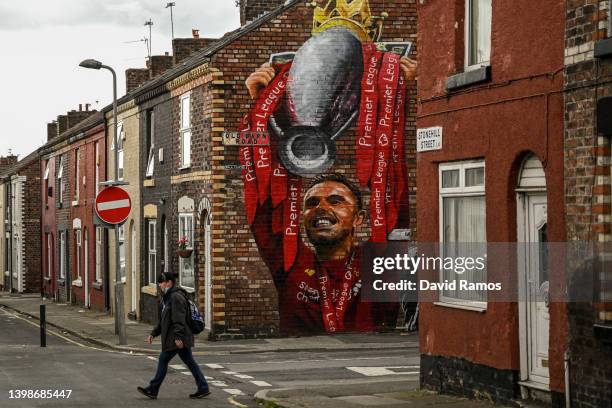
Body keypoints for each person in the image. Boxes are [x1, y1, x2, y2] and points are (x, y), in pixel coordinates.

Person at [251, 173, 397, 335]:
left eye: (335, 201)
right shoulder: (291, 263)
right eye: (312, 203)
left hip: (368, 356)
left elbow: (395, 210)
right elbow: (263, 212)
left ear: (358, 218)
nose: (321, 208)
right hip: (302, 357)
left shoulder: (378, 262)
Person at [137, 272, 210, 400]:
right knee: (190, 362)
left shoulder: (176, 297)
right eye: (159, 282)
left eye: (161, 282)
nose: (159, 285)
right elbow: (163, 321)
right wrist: (153, 333)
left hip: (177, 337)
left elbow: (179, 319)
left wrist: (178, 337)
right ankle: (203, 387)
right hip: (177, 336)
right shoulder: (166, 298)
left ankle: (153, 389)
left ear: (169, 283)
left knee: (163, 359)